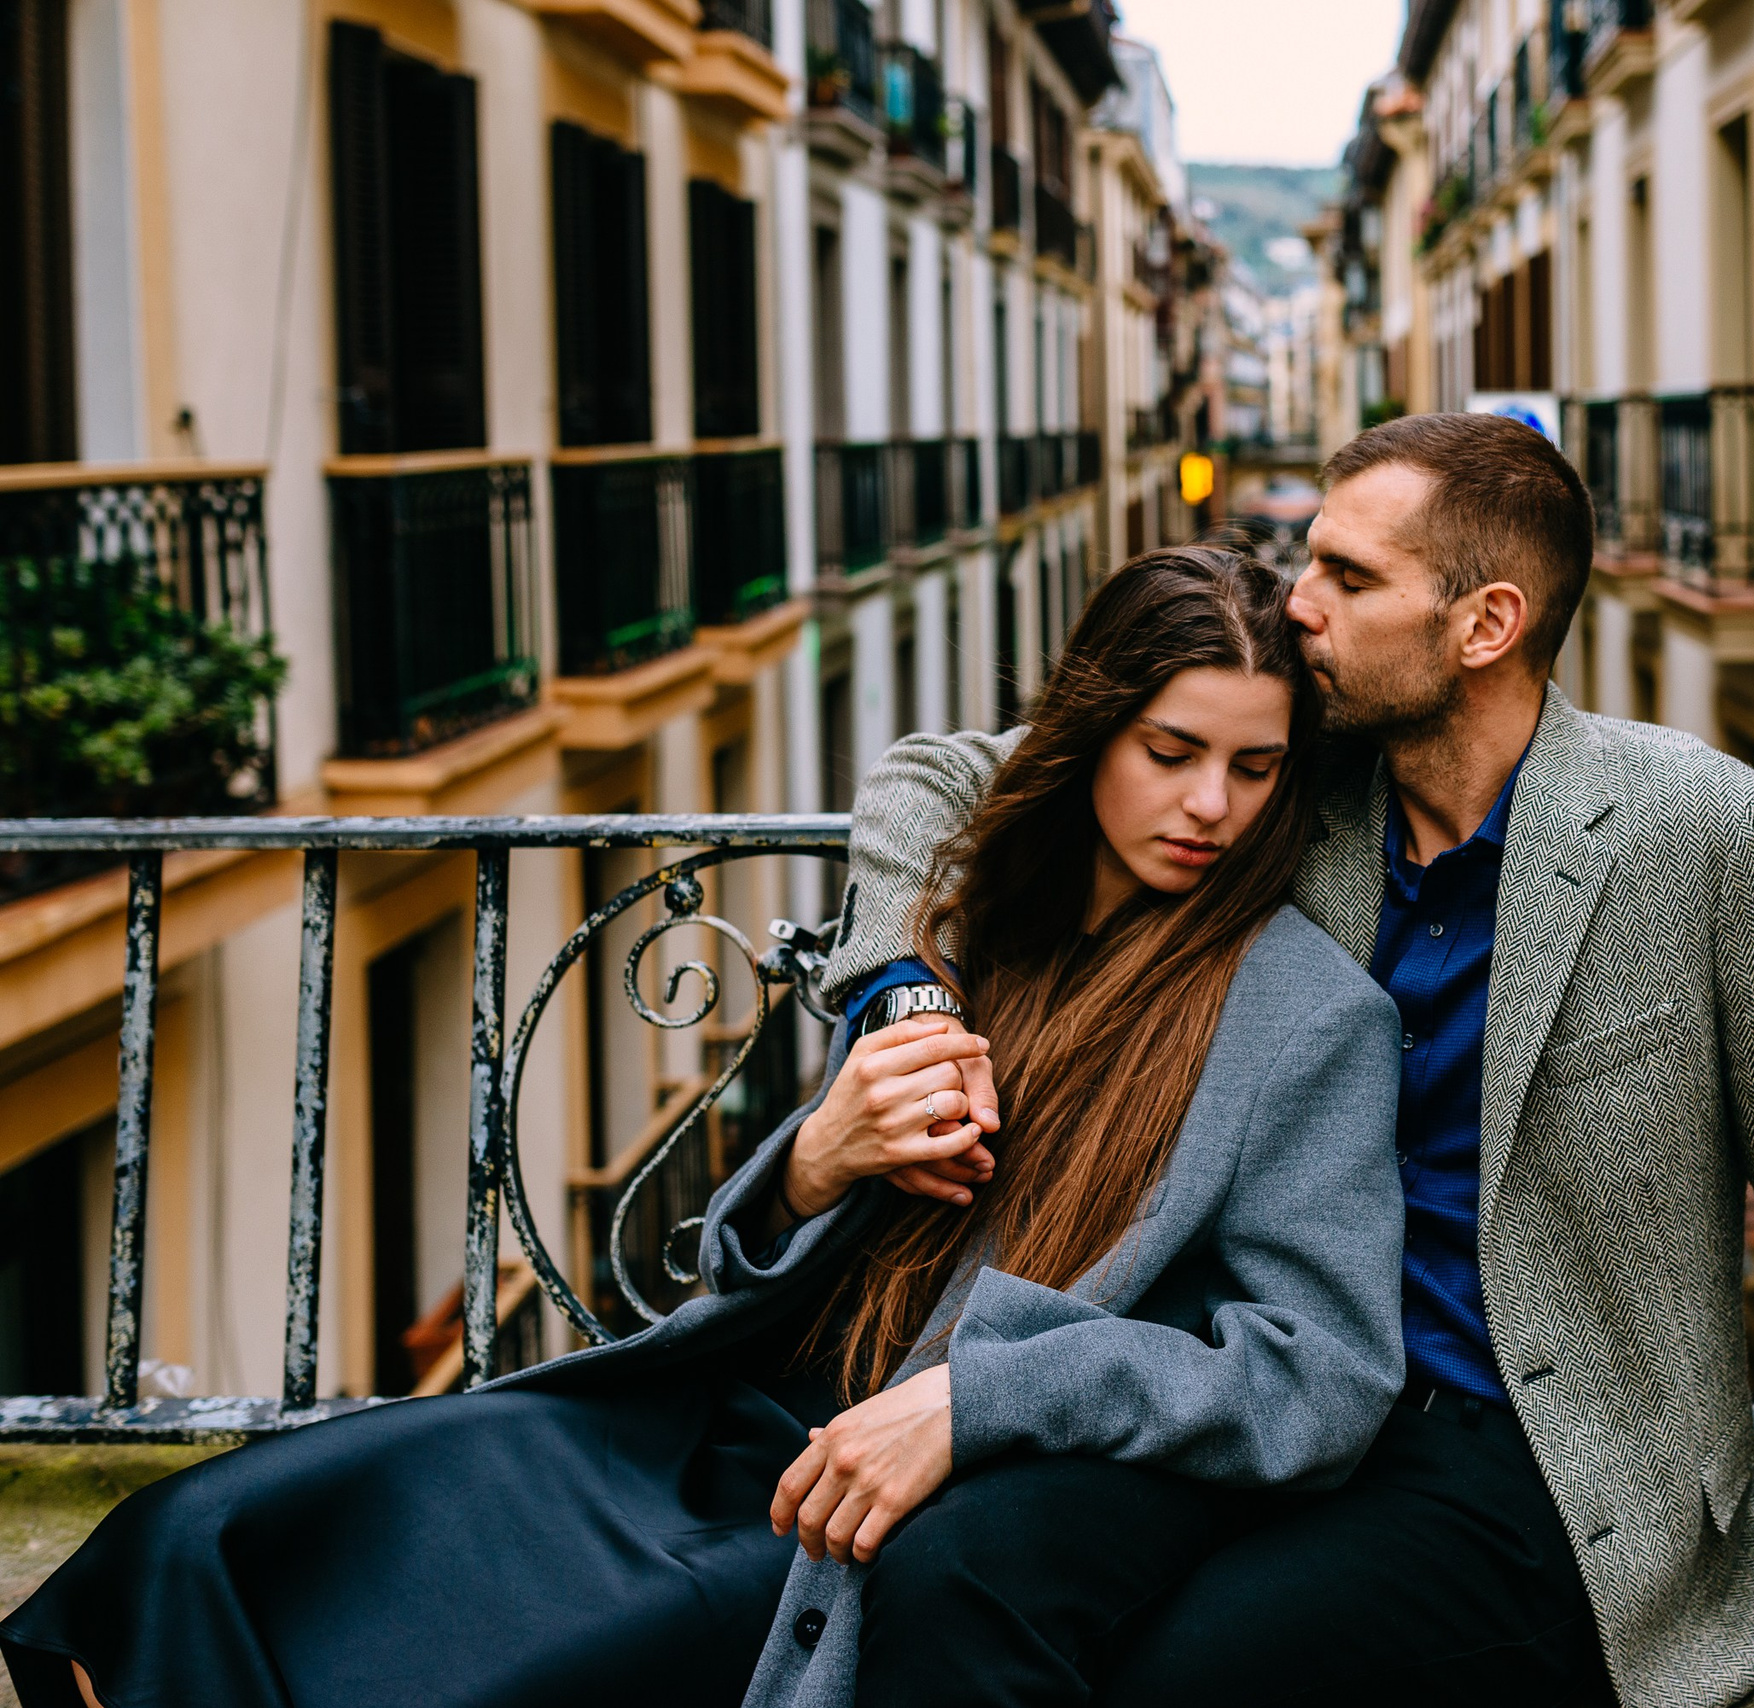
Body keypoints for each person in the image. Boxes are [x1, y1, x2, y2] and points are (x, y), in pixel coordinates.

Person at [1, 545, 1407, 1708]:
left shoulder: (1305, 1015)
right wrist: (812, 1162)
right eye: (1172, 752)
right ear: (1093, 731)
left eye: (1258, 769)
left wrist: (993, 1401)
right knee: (205, 1537)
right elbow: (732, 1267)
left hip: (839, 1509)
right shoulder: (964, 925)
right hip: (704, 1410)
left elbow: (1325, 1375)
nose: (1210, 807)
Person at [808, 413, 1754, 1708]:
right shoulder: (1300, 782)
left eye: (1347, 576)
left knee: (1185, 1676)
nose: (1302, 605)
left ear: (1483, 623)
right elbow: (940, 781)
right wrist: (903, 994)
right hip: (1254, 1389)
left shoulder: (1706, 835)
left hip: (1526, 1458)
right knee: (953, 1576)